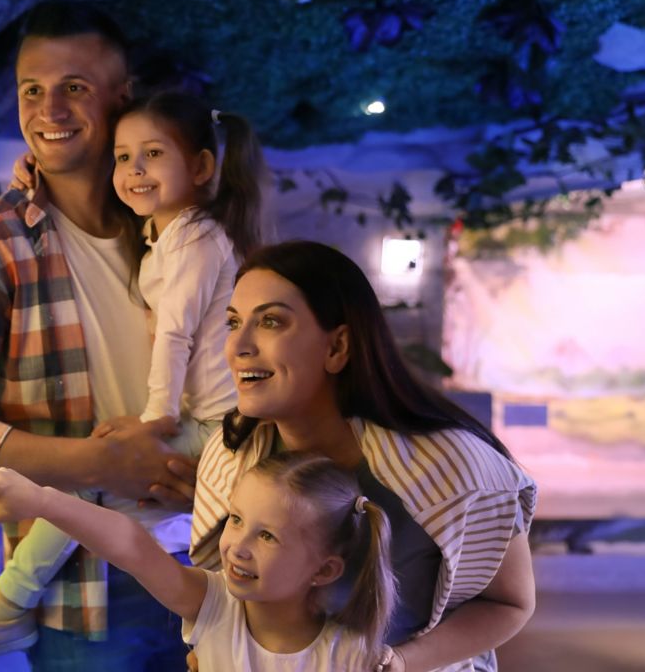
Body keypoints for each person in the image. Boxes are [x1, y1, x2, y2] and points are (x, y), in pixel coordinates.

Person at [0, 0, 199, 670]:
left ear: (123, 98)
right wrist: (99, 465)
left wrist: (208, 475)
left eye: (75, 88)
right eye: (32, 90)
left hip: (222, 565)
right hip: (90, 598)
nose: (49, 110)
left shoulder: (182, 232)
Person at [0, 90, 263, 665]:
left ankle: (4, 609)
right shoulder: (165, 232)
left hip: (213, 424)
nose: (133, 171)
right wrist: (32, 183)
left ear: (201, 167)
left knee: (84, 479)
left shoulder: (195, 239)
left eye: (152, 155)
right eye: (124, 158)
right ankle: (9, 607)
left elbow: (174, 335)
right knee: (96, 483)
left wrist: (155, 421)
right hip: (200, 443)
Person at [193, 240, 537, 672]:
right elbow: (221, 596)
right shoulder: (230, 456)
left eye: (271, 321)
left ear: (337, 347)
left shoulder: (449, 466)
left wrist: (399, 662)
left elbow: (509, 603)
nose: (238, 346)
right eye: (233, 322)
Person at [0, 449, 398, 672]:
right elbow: (132, 545)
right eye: (236, 520)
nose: (237, 546)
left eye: (267, 535)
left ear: (323, 570)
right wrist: (40, 500)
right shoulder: (214, 603)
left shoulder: (352, 654)